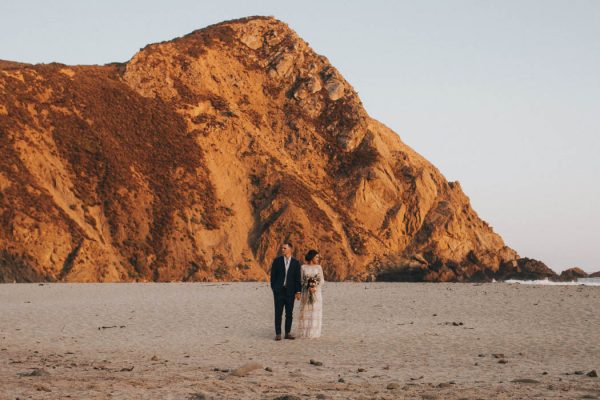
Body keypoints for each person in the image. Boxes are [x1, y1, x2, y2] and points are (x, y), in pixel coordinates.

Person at [269, 242, 302, 341]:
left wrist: (298, 291)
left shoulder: (296, 263)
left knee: (289, 313)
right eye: (282, 248)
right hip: (279, 291)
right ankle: (278, 333)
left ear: (290, 249)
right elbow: (273, 276)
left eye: (284, 248)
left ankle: (287, 333)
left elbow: (297, 278)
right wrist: (274, 288)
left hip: (290, 292)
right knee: (278, 313)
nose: (282, 250)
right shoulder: (277, 261)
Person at [296, 249, 324, 338]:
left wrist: (315, 286)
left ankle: (313, 333)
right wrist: (307, 286)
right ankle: (304, 332)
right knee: (306, 310)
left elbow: (322, 280)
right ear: (311, 257)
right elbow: (301, 280)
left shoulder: (319, 267)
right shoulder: (303, 267)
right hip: (306, 293)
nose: (318, 259)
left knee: (314, 311)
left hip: (316, 293)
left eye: (318, 257)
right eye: (316, 257)